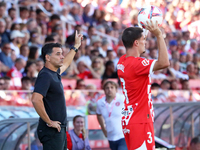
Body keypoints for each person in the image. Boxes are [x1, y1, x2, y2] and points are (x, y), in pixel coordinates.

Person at [117, 21, 170, 150]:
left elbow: (133, 44)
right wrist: (158, 35)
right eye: (143, 39)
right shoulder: (137, 64)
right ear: (136, 43)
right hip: (140, 120)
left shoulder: (122, 61)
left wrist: (143, 29)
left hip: (129, 119)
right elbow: (164, 62)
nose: (145, 42)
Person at [31, 31, 83, 150]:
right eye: (58, 54)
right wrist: (49, 121)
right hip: (51, 130)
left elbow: (66, 63)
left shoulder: (54, 73)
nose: (62, 56)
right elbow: (35, 99)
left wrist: (75, 46)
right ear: (48, 57)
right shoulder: (45, 75)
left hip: (58, 129)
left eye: (62, 53)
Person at [96, 80, 128, 150]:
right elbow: (98, 115)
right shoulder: (100, 102)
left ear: (116, 89)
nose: (109, 89)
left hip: (123, 135)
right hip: (110, 136)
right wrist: (103, 129)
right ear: (104, 90)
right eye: (107, 88)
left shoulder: (122, 99)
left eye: (112, 87)